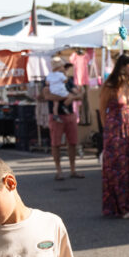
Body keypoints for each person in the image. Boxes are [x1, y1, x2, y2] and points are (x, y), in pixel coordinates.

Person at [100, 54, 129, 220]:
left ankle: (118, 203)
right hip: (115, 129)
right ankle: (124, 208)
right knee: (119, 169)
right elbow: (102, 109)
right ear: (123, 67)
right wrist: (107, 131)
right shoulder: (110, 85)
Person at [43, 53, 84, 181]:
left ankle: (73, 169)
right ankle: (59, 170)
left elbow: (79, 95)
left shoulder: (68, 80)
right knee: (56, 143)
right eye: (63, 67)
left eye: (66, 67)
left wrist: (72, 97)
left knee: (72, 142)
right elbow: (47, 95)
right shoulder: (49, 78)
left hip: (69, 114)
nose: (65, 69)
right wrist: (66, 97)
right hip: (57, 115)